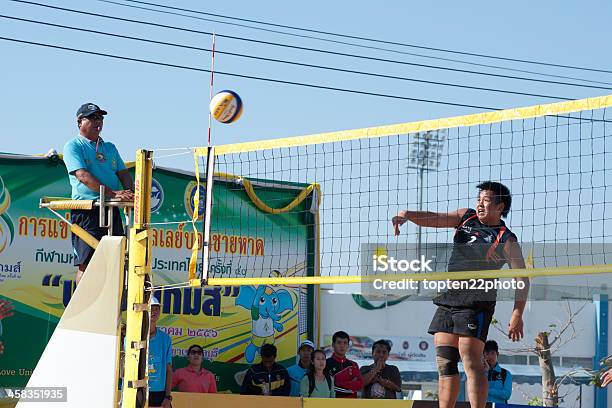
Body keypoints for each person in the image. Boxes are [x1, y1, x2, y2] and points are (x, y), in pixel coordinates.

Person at [392, 181, 529, 408]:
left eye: (486, 200)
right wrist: (407, 215)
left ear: (500, 206)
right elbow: (434, 217)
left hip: (477, 301)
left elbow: (522, 278)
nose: (480, 204)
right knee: (444, 362)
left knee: (471, 361)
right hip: (451, 296)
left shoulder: (507, 239)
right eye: (479, 199)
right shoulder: (466, 217)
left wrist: (517, 313)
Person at [63, 103, 134, 284]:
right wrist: (113, 193)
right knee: (86, 263)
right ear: (80, 122)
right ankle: (84, 309)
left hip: (111, 208)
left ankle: (109, 307)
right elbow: (82, 175)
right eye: (93, 117)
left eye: (100, 117)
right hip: (88, 209)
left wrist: (132, 193)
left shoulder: (109, 147)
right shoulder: (73, 145)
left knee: (116, 262)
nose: (98, 121)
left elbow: (123, 173)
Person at [148, 297, 173, 407]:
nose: (154, 311)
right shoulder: (133, 337)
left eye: (157, 308)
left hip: (159, 393)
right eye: (151, 308)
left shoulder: (165, 339)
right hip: (138, 391)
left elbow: (169, 370)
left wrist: (168, 397)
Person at [324, 330, 364, 398]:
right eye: (339, 342)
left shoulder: (353, 365)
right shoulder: (325, 363)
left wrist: (336, 383)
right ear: (333, 345)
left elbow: (360, 385)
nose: (342, 346)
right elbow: (326, 385)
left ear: (348, 346)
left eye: (345, 343)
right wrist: (351, 385)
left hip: (351, 404)